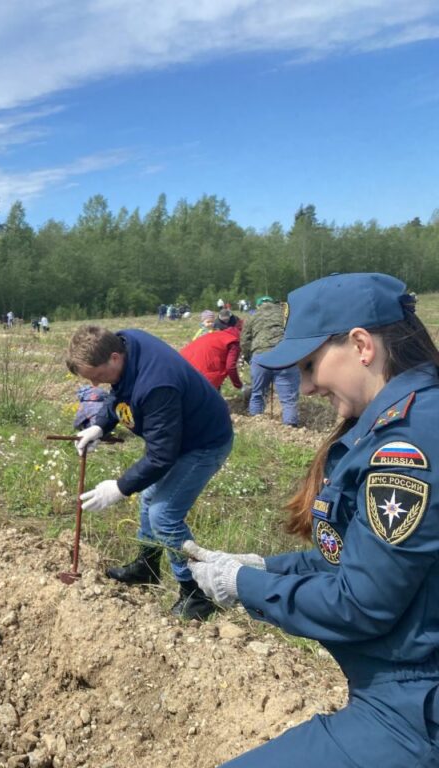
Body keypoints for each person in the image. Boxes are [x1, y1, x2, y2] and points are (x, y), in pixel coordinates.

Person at [184, 272, 439, 766]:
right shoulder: (408, 419)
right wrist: (262, 566)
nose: (304, 385)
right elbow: (364, 559)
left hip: (415, 711)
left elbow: (361, 604)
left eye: (309, 364)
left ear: (361, 345)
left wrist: (244, 586)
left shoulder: (407, 447)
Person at [67, 325, 234, 620]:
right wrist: (100, 426)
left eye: (97, 375)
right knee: (148, 499)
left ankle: (196, 592)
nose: (94, 383)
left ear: (114, 357)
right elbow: (119, 394)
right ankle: (147, 567)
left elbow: (161, 456)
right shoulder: (125, 341)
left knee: (163, 515)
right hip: (180, 436)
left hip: (204, 443)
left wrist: (119, 487)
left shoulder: (157, 385)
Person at [241, 295, 299, 426]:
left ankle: (256, 426)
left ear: (258, 306)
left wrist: (249, 358)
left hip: (261, 357)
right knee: (289, 399)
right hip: (285, 356)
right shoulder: (285, 314)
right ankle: (290, 427)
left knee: (257, 394)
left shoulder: (252, 317)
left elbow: (244, 341)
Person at [179, 326, 245, 392]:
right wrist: (239, 385)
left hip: (181, 368)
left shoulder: (215, 334)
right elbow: (230, 367)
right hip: (202, 376)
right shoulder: (233, 342)